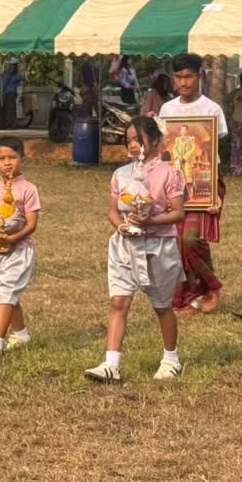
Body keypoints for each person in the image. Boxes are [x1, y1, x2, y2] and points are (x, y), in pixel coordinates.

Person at [84, 117, 186, 384]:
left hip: (158, 247)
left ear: (154, 140)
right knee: (119, 301)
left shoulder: (168, 173)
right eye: (128, 140)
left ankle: (171, 359)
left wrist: (151, 221)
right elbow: (113, 210)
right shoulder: (121, 174)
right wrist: (121, 226)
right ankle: (111, 364)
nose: (132, 145)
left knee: (162, 306)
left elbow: (178, 213)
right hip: (125, 246)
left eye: (138, 140)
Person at [159, 53, 228, 315]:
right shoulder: (167, 110)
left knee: (191, 239)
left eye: (188, 77)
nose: (183, 83)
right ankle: (190, 297)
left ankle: (210, 286)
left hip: (203, 182)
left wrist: (215, 194)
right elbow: (164, 151)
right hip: (174, 184)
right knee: (176, 241)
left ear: (200, 77)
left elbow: (212, 152)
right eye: (178, 77)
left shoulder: (212, 110)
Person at [0, 137, 41, 358]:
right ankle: (21, 334)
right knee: (3, 290)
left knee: (7, 291)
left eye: (12, 158)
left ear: (22, 159)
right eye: (2, 158)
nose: (7, 163)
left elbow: (31, 224)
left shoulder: (28, 190)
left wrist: (12, 240)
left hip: (20, 251)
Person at [0, 58, 25, 131]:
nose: (11, 66)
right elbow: (2, 82)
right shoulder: (6, 73)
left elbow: (23, 81)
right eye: (11, 65)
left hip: (12, 93)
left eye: (13, 65)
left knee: (11, 109)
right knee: (4, 109)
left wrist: (18, 85)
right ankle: (5, 124)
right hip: (4, 93)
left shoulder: (17, 75)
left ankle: (12, 124)